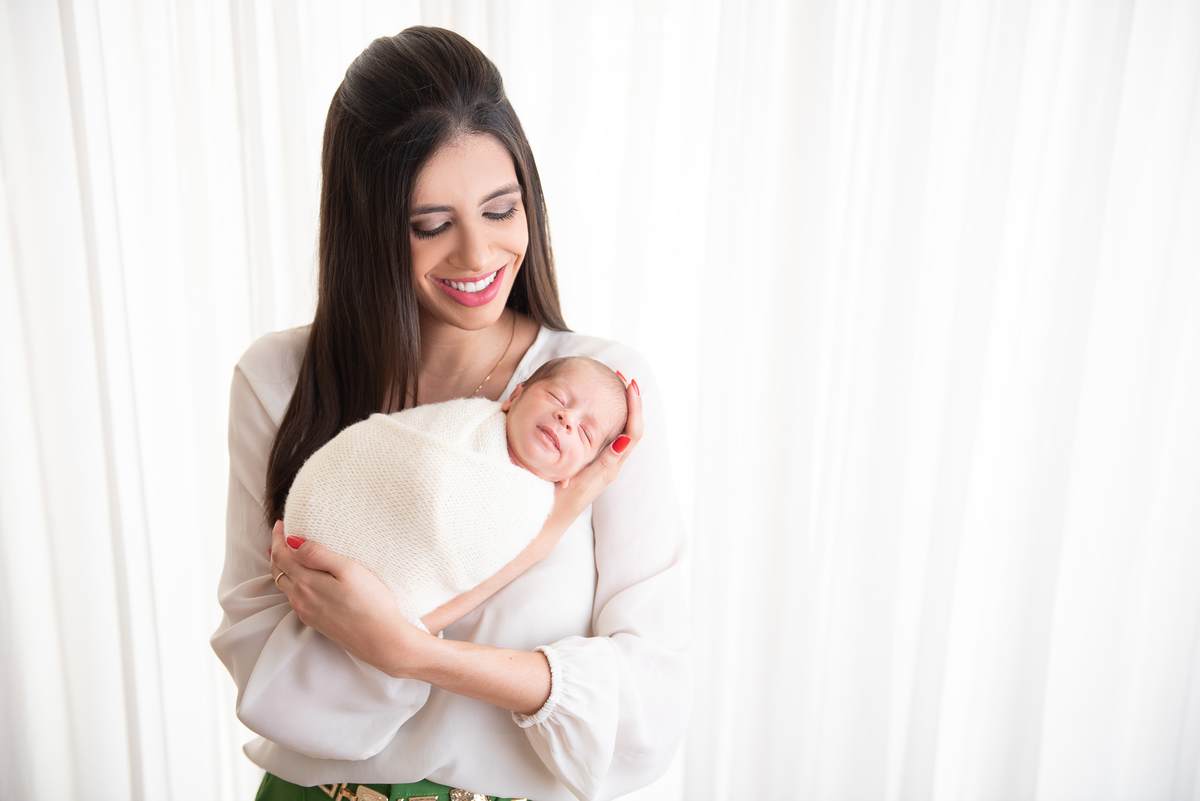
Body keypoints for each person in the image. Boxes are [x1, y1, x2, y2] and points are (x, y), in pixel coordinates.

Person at [211, 26, 690, 801]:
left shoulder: (596, 398)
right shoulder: (279, 380)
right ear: (365, 228)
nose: (477, 255)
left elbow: (649, 707)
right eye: (430, 225)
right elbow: (267, 680)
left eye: (501, 210)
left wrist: (413, 653)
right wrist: (534, 543)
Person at [283, 357, 629, 635]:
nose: (567, 419)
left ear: (574, 475)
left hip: (377, 606)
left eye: (585, 433)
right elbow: (383, 454)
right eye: (557, 398)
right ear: (514, 397)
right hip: (324, 516)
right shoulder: (466, 421)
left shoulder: (533, 510)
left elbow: (473, 556)